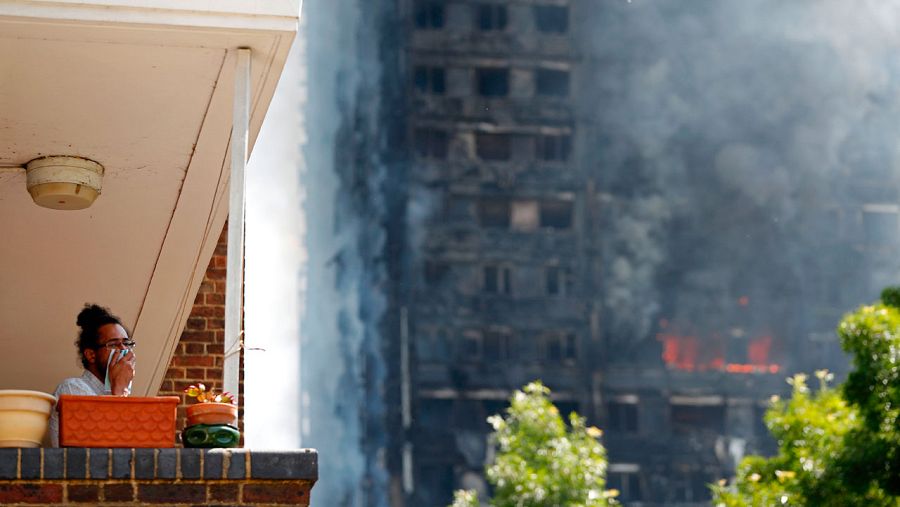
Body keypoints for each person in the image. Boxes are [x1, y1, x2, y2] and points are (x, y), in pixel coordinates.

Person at [48, 304, 136, 447]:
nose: (124, 350)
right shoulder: (72, 389)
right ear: (91, 355)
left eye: (127, 344)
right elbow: (101, 453)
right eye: (114, 345)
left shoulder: (120, 394)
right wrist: (120, 392)